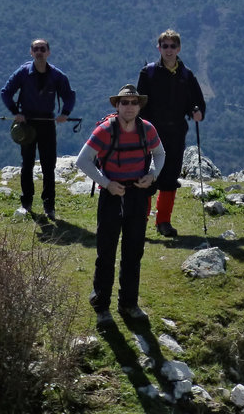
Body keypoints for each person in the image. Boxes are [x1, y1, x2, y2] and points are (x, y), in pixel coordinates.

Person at [76, 84, 164, 325]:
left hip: (137, 193)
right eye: (124, 103)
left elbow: (160, 153)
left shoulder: (147, 129)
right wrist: (106, 183)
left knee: (134, 250)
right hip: (112, 194)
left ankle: (129, 303)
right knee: (106, 251)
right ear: (117, 106)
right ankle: (101, 305)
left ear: (139, 106)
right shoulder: (106, 130)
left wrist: (152, 175)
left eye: (133, 102)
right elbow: (82, 161)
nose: (129, 106)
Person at [136, 29, 206, 237]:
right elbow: (140, 103)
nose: (168, 50)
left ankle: (163, 222)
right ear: (159, 48)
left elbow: (197, 102)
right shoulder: (147, 73)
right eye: (164, 46)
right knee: (145, 176)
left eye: (172, 46)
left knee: (170, 176)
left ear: (179, 48)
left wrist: (196, 110)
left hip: (175, 133)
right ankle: (140, 221)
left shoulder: (187, 75)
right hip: (150, 133)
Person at [0, 38, 76, 221]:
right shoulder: (23, 73)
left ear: (48, 52)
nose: (39, 52)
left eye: (42, 49)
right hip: (27, 123)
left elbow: (69, 96)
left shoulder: (57, 76)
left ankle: (49, 205)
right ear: (31, 52)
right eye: (36, 49)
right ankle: (26, 203)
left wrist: (65, 113)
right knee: (27, 164)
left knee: (48, 165)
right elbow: (6, 92)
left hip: (47, 122)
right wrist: (15, 112)